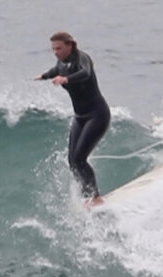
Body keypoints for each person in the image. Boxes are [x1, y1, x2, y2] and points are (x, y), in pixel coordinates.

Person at [35, 32, 111, 203]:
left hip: (97, 115)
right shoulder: (61, 63)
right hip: (80, 117)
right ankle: (88, 197)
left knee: (80, 158)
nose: (56, 52)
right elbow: (56, 70)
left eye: (59, 48)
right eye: (53, 49)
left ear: (70, 45)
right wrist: (45, 76)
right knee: (72, 161)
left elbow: (86, 73)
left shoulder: (83, 58)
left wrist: (66, 79)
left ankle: (96, 197)